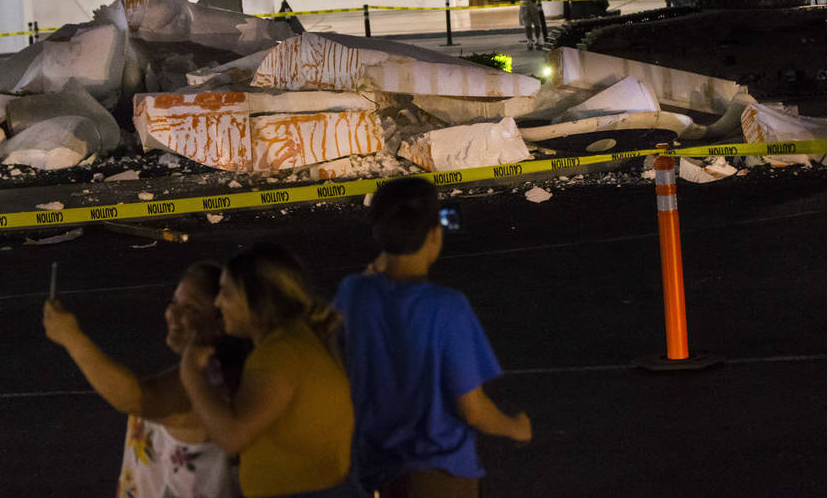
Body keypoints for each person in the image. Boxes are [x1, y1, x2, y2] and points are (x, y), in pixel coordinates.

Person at [333, 178, 532, 498]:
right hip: (440, 474)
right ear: (435, 235)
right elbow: (473, 409)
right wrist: (516, 427)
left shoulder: (353, 293)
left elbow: (353, 301)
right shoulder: (447, 307)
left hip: (375, 469)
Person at [43, 261, 244, 498]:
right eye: (173, 303)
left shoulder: (203, 382)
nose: (173, 314)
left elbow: (134, 399)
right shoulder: (216, 371)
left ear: (222, 321)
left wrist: (72, 338)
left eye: (191, 309)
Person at [180, 243, 360, 498]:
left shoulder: (281, 354)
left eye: (227, 293)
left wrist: (190, 373)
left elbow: (232, 436)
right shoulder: (294, 341)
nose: (218, 303)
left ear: (257, 300)